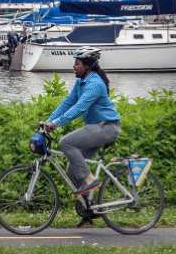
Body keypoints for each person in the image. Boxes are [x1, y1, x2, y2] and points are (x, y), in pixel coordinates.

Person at [39, 46, 120, 226]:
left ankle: (90, 180)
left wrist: (56, 124)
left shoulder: (95, 84)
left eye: (77, 63)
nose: (73, 66)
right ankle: (90, 208)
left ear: (87, 66)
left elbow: (80, 108)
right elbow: (69, 102)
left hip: (107, 127)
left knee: (66, 143)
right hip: (97, 127)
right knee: (72, 168)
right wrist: (49, 120)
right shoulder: (82, 81)